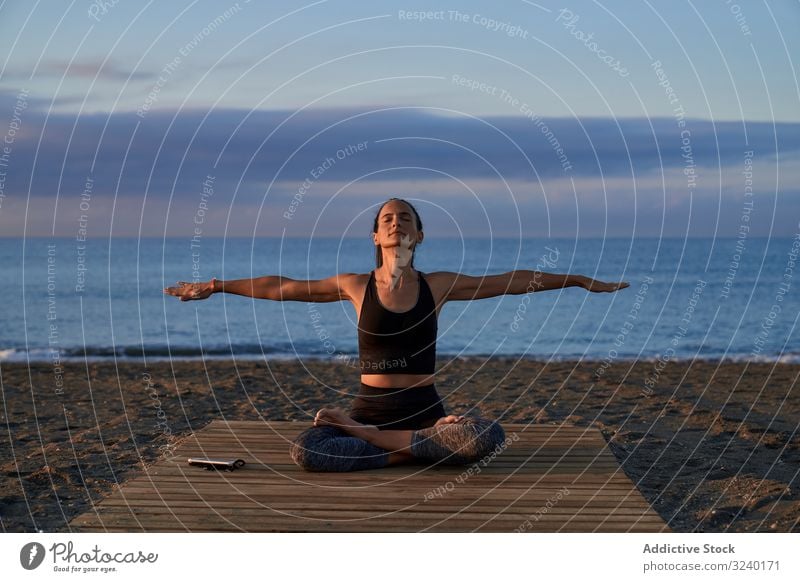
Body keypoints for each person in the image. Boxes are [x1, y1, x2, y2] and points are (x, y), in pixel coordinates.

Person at [164, 198, 629, 472]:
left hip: (425, 410)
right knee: (306, 449)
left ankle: (363, 435)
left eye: (405, 218)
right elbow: (282, 287)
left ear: (419, 236)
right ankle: (415, 448)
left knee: (487, 436)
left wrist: (577, 280)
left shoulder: (439, 285)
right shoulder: (354, 286)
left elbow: (511, 280)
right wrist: (216, 286)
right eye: (387, 218)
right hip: (374, 407)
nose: (396, 222)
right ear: (375, 237)